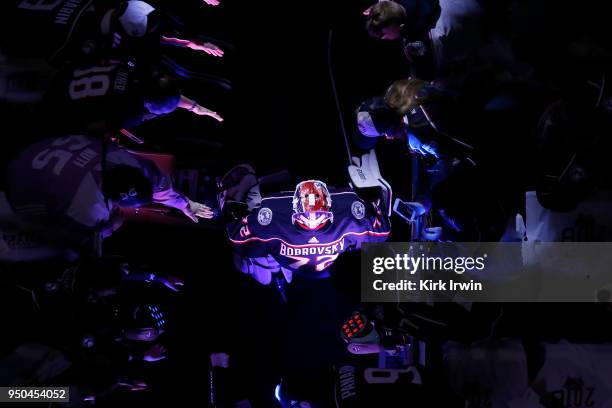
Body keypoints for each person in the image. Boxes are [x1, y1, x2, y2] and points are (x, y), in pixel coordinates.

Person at [5, 135, 213, 249]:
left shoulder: (124, 160)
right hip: (17, 182)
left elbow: (159, 184)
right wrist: (109, 228)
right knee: (51, 245)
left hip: (38, 146)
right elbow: (82, 243)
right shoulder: (90, 208)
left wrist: (186, 204)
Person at [222, 151, 391, 285]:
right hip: (327, 269)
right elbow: (382, 231)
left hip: (293, 264)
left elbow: (235, 237)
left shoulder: (273, 219)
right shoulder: (349, 219)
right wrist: (375, 192)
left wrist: (232, 203)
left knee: (254, 265)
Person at [40, 61, 223, 136]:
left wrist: (195, 107)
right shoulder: (131, 113)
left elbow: (160, 91)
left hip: (58, 72)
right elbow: (91, 129)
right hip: (53, 105)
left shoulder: (138, 70)